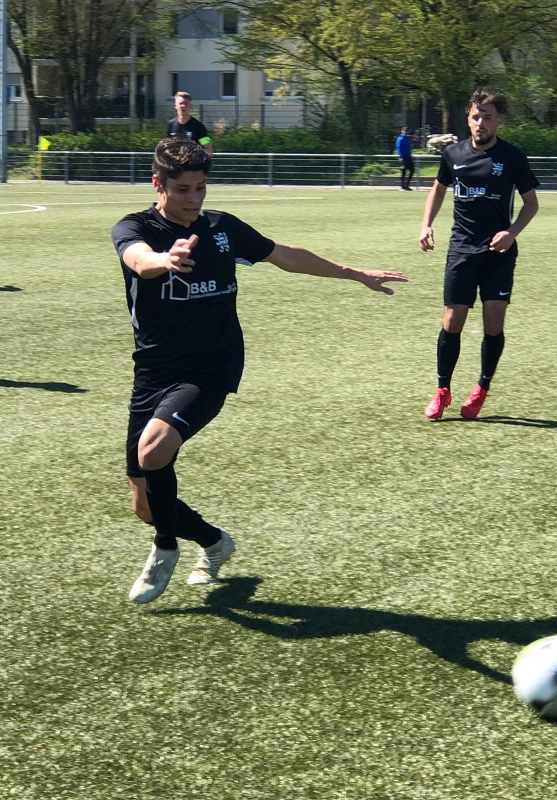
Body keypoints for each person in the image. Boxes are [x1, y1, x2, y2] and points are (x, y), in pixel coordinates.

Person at [111, 137, 408, 604]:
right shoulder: (136, 227)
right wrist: (164, 260)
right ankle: (214, 542)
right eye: (183, 189)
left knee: (153, 451)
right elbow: (136, 258)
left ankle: (165, 548)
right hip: (153, 369)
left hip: (212, 366)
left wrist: (355, 273)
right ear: (158, 184)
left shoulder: (221, 228)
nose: (193, 198)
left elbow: (285, 255)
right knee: (145, 503)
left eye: (201, 188)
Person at [419, 88, 539, 421]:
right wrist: (426, 225)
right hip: (461, 249)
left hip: (499, 252)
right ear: (468, 119)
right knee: (452, 320)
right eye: (476, 117)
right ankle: (442, 390)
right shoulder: (453, 154)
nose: (480, 123)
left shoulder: (512, 157)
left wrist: (511, 233)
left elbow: (531, 204)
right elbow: (438, 190)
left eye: (487, 117)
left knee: (493, 322)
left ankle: (481, 389)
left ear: (498, 121)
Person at [167, 91, 214, 155]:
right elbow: (168, 147)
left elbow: (208, 148)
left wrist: (196, 157)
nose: (183, 106)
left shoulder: (199, 127)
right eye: (181, 103)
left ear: (190, 106)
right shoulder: (171, 125)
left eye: (186, 103)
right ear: (175, 106)